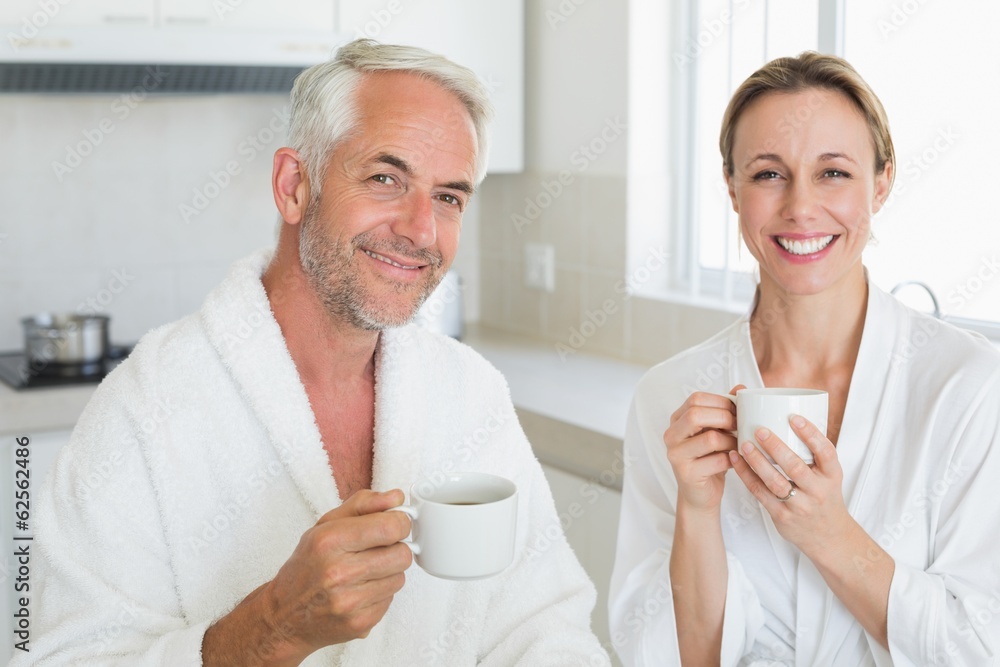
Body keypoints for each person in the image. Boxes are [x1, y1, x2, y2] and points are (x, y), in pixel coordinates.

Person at [15, 39, 609, 666]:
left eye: (448, 198)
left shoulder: (470, 392)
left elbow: (546, 628)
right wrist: (273, 628)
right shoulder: (146, 410)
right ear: (295, 185)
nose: (420, 230)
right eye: (386, 178)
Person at [609, 52, 1000, 666]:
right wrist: (698, 510)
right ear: (732, 188)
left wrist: (832, 536)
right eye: (768, 174)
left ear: (882, 182)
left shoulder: (970, 390)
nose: (799, 208)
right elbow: (668, 657)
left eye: (834, 173)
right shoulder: (671, 398)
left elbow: (980, 648)